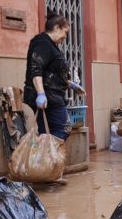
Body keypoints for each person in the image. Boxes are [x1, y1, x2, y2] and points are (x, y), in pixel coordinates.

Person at [23, 11, 85, 140]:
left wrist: (71, 85)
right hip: (48, 96)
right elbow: (36, 69)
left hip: (51, 94)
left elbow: (51, 72)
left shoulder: (50, 44)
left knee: (47, 132)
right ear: (56, 28)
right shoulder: (43, 43)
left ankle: (46, 158)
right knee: (64, 128)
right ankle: (47, 157)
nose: (65, 37)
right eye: (65, 32)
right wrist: (41, 94)